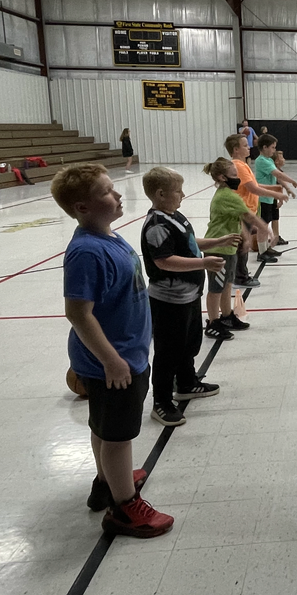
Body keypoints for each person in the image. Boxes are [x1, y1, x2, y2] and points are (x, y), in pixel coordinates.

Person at [51, 163, 173, 538]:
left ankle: (106, 481)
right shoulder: (87, 251)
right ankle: (124, 507)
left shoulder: (108, 236)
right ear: (82, 207)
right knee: (119, 438)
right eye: (106, 192)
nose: (118, 195)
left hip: (126, 354)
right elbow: (77, 312)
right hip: (112, 363)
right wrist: (111, 360)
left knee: (105, 429)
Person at [140, 167, 235, 427]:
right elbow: (164, 261)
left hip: (188, 295)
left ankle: (186, 382)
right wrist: (203, 265)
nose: (183, 194)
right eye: (178, 190)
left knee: (189, 343)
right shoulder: (156, 225)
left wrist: (217, 241)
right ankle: (161, 402)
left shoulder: (175, 217)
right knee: (168, 352)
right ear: (160, 194)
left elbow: (190, 243)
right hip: (169, 300)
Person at [202, 158, 263, 340]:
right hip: (218, 248)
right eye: (234, 175)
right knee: (215, 289)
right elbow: (249, 216)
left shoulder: (229, 194)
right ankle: (213, 323)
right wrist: (266, 229)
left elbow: (238, 220)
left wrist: (244, 237)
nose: (238, 179)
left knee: (227, 284)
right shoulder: (226, 196)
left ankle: (227, 316)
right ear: (222, 177)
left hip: (229, 248)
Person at [225, 134, 286, 287]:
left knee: (244, 245)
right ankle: (240, 277)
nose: (249, 147)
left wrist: (277, 189)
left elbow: (255, 186)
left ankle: (241, 274)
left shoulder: (244, 164)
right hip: (242, 209)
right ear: (236, 149)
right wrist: (276, 192)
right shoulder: (238, 165)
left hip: (249, 208)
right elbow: (253, 188)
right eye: (245, 145)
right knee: (241, 247)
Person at [255, 134, 297, 255]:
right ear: (265, 147)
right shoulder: (261, 161)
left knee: (267, 223)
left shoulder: (269, 160)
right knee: (263, 226)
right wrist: (293, 181)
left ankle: (266, 248)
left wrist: (287, 188)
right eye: (272, 147)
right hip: (263, 197)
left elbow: (277, 177)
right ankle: (262, 252)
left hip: (269, 197)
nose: (274, 150)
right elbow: (279, 174)